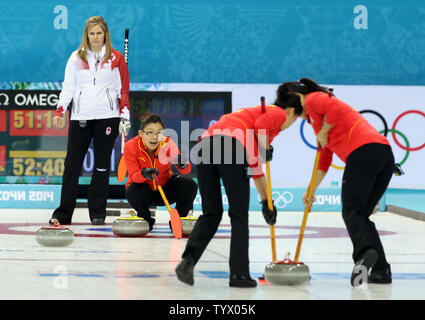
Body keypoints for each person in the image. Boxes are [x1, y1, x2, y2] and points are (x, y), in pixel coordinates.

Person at [277, 78, 395, 286]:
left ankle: (365, 253)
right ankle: (381, 270)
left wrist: (323, 131)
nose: (296, 115)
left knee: (350, 210)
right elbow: (324, 159)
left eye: (291, 108)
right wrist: (310, 190)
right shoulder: (314, 120)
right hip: (383, 154)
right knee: (361, 214)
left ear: (296, 99)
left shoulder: (313, 99)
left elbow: (334, 108)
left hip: (363, 153)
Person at [175, 97, 302, 288]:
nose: (289, 126)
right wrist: (265, 149)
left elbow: (255, 166)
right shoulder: (276, 112)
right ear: (291, 112)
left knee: (211, 213)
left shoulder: (247, 115)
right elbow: (258, 139)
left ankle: (188, 261)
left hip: (204, 145)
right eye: (295, 121)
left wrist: (266, 201)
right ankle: (239, 274)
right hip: (232, 146)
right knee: (239, 215)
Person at [50, 16, 131, 225]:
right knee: (72, 165)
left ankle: (97, 213)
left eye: (99, 33)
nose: (95, 37)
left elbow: (123, 90)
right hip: (80, 117)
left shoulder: (117, 59)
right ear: (86, 35)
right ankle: (63, 214)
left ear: (105, 35)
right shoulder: (76, 57)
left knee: (102, 166)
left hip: (108, 117)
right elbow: (68, 87)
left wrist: (124, 115)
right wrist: (60, 111)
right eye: (92, 33)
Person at [124, 113, 198, 232]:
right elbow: (133, 176)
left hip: (165, 190)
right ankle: (146, 219)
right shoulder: (130, 146)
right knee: (132, 190)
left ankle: (180, 219)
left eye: (159, 132)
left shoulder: (167, 143)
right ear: (141, 133)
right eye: (150, 132)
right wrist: (143, 174)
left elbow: (186, 169)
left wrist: (183, 164)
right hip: (144, 192)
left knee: (190, 185)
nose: (155, 137)